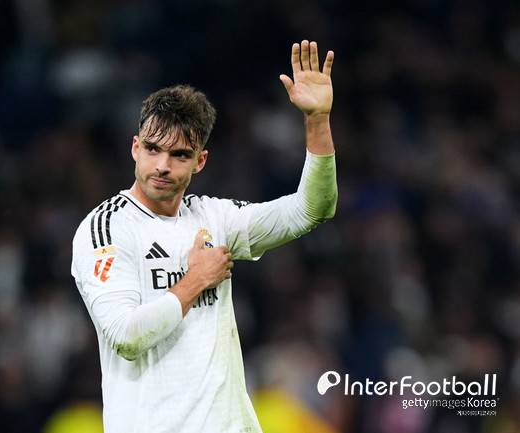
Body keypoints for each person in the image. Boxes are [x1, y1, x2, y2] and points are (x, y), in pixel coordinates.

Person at [71, 40, 338, 433]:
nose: (162, 166)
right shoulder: (107, 228)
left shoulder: (215, 218)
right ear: (135, 148)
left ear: (200, 160)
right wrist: (196, 279)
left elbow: (312, 210)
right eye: (153, 149)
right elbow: (125, 336)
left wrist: (317, 121)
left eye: (179, 154)